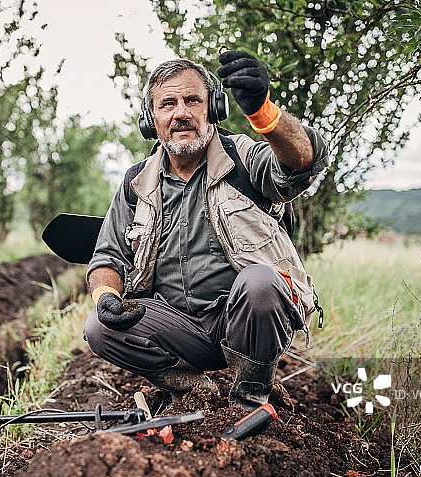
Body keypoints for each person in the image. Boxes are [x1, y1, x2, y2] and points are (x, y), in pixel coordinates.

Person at [83, 50, 328, 411]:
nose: (181, 112)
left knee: (262, 282)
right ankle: (194, 389)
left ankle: (250, 398)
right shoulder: (137, 182)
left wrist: (264, 111)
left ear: (212, 109)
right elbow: (107, 256)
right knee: (98, 328)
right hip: (178, 328)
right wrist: (106, 294)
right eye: (168, 104)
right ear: (152, 120)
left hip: (245, 323)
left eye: (192, 100)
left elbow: (301, 164)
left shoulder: (243, 157)